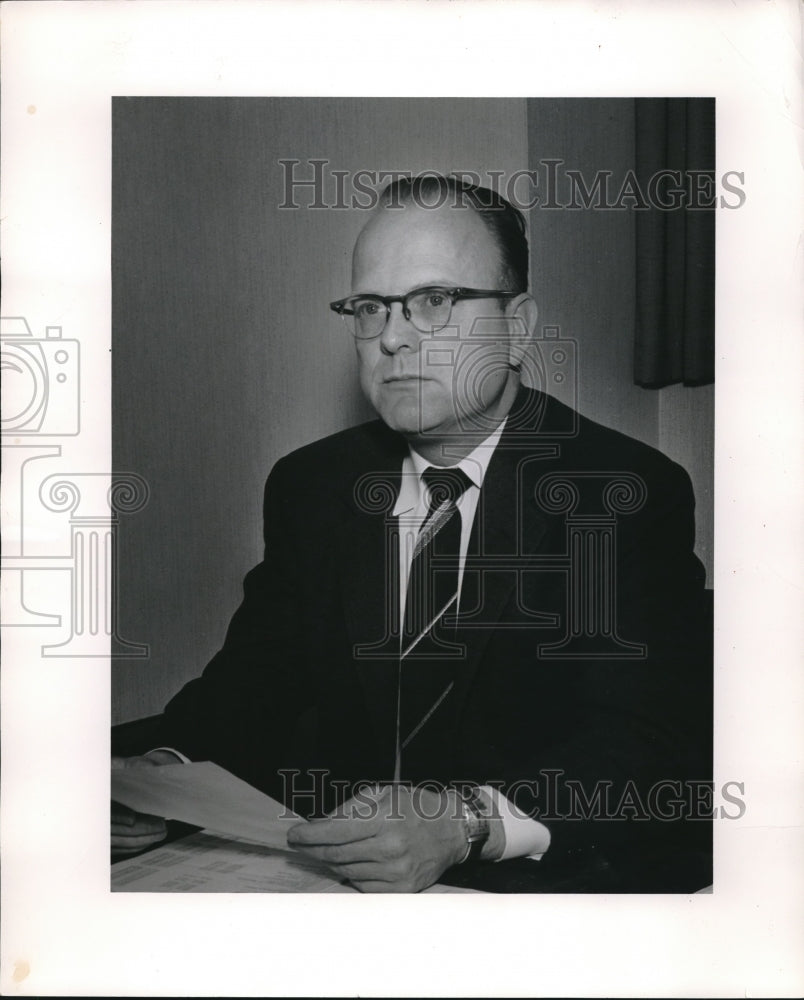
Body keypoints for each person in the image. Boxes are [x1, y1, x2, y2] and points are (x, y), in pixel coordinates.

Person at [112, 175, 712, 892]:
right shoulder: (312, 485)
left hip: (522, 890)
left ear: (518, 326)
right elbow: (255, 681)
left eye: (435, 301)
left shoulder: (621, 490)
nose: (392, 338)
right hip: (331, 879)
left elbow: (644, 741)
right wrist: (166, 773)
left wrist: (462, 823)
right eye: (370, 307)